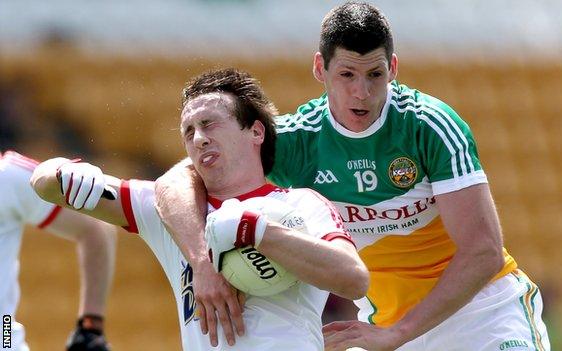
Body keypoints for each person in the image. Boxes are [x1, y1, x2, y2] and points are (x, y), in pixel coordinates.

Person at [154, 2, 551, 350]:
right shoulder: (296, 141)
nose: (361, 92)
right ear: (319, 68)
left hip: (482, 313)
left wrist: (399, 333)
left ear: (393, 68)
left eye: (375, 75)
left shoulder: (428, 126)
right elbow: (175, 182)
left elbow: (483, 252)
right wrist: (202, 263)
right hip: (386, 326)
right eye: (347, 75)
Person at [30, 68, 369, 351]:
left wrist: (256, 230)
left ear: (255, 131)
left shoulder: (301, 204)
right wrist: (64, 172)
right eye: (188, 132)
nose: (199, 138)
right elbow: (44, 183)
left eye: (210, 124)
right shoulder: (169, 212)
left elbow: (353, 279)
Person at [0, 150, 116, 351]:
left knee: (5, 334)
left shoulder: (6, 177)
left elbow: (95, 229)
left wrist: (90, 326)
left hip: (5, 339)